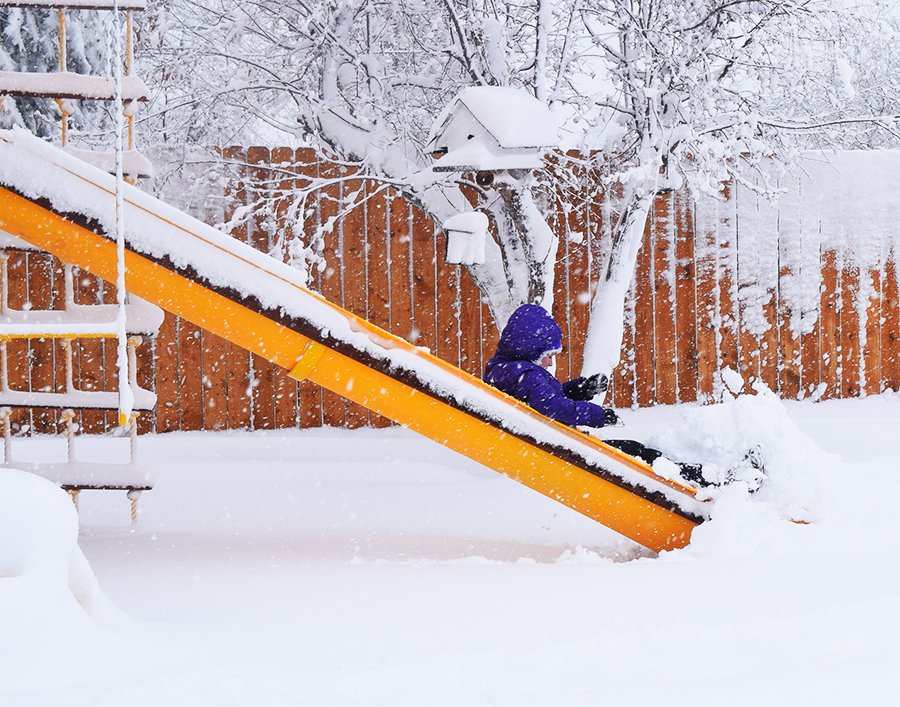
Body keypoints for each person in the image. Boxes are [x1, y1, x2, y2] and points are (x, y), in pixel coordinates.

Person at [484, 303, 742, 488]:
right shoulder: (524, 374)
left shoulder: (511, 369)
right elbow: (552, 408)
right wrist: (598, 415)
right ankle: (707, 481)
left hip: (561, 446)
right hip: (564, 452)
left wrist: (580, 389)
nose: (551, 363)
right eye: (547, 356)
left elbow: (544, 400)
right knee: (641, 457)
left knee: (635, 451)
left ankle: (699, 476)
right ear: (529, 350)